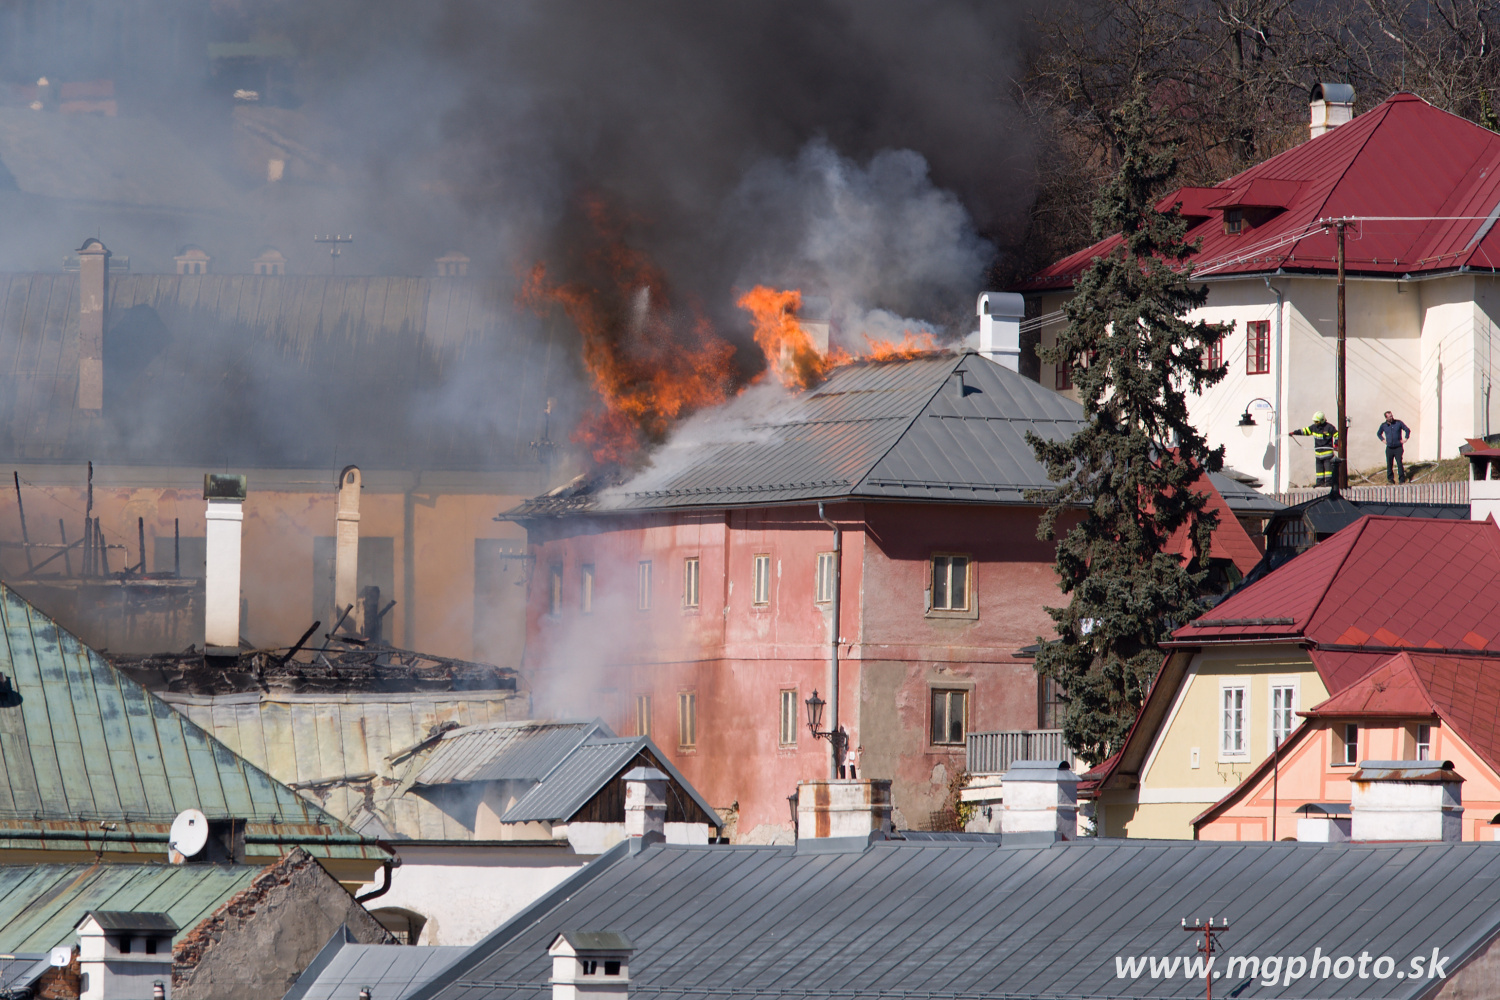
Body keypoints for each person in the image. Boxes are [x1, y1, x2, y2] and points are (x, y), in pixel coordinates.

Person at [1289, 411, 1340, 487]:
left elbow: (1337, 435)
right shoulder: (1314, 427)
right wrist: (1294, 433)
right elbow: (1305, 431)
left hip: (1327, 454)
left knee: (1328, 470)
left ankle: (1329, 483)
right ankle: (1320, 483)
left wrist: (1336, 445)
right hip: (1318, 454)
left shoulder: (1329, 427)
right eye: (1315, 421)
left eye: (1317, 421)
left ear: (1322, 420)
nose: (1315, 423)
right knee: (1319, 471)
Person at [1377, 410, 1412, 483]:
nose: (1391, 417)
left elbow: (1407, 430)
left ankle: (1401, 479)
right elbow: (1379, 433)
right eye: (1389, 416)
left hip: (1398, 447)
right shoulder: (1384, 425)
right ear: (1386, 418)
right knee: (1389, 464)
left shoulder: (1398, 423)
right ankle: (1390, 479)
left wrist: (1405, 438)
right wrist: (1383, 440)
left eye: (1392, 416)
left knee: (1399, 463)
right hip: (1389, 448)